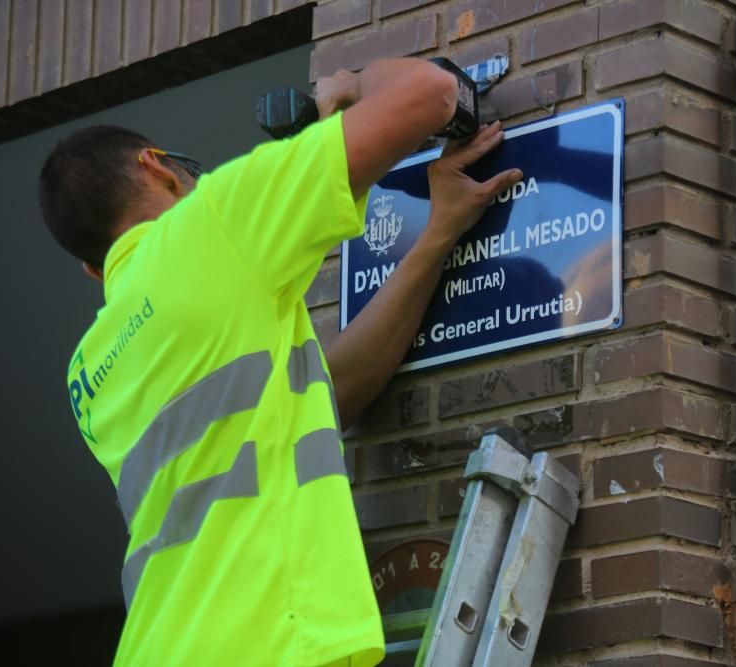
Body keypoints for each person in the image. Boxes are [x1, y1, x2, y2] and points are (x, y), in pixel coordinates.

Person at [38, 57, 522, 666]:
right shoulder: (210, 221)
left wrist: (434, 237)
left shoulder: (89, 368)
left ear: (93, 268)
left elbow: (333, 391)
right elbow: (431, 92)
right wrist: (348, 86)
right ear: (155, 166)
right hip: (269, 642)